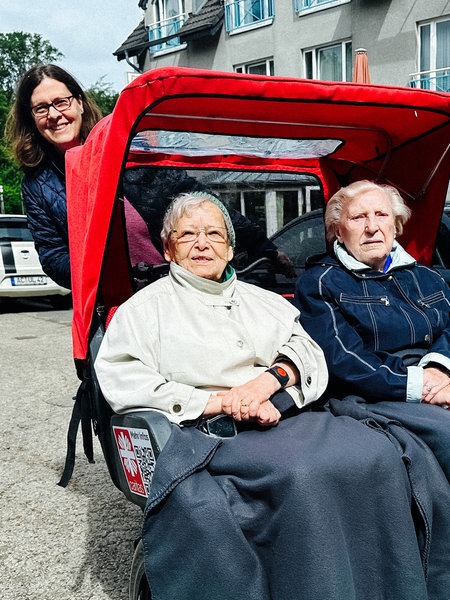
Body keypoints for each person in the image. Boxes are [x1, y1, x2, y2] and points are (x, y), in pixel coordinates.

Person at [94, 191, 441, 600]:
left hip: (286, 415)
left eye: (213, 234)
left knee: (378, 455)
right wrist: (218, 402)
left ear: (230, 247)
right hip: (207, 432)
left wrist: (272, 380)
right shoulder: (142, 310)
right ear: (168, 247)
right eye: (187, 235)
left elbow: (309, 353)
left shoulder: (265, 301)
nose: (202, 243)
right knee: (305, 475)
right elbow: (122, 377)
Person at [295, 180, 450, 596]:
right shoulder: (322, 282)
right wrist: (422, 383)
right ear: (337, 230)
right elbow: (345, 359)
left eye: (381, 215)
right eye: (358, 217)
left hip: (439, 381)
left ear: (397, 225)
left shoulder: (429, 277)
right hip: (377, 393)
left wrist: (440, 368)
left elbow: (449, 328)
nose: (372, 227)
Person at [5, 64, 102, 289]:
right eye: (41, 108)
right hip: (100, 299)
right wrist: (102, 272)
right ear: (31, 118)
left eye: (61, 102)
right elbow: (52, 256)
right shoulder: (36, 185)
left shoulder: (119, 148)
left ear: (80, 103)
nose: (54, 115)